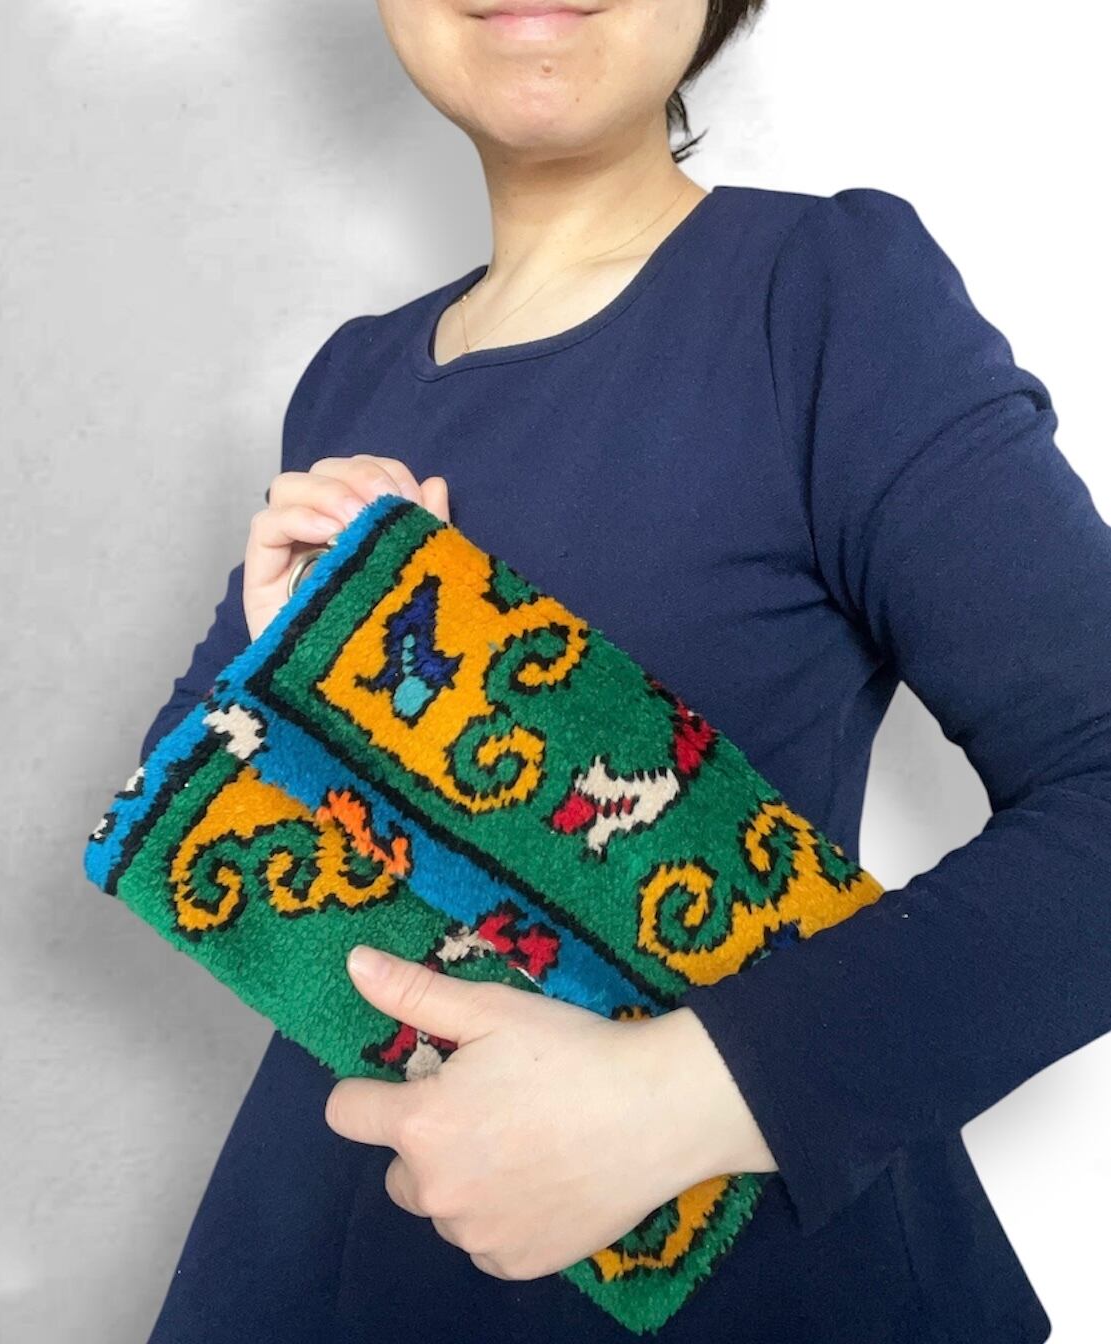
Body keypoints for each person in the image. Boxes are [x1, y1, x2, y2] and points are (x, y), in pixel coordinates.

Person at [136, 2, 1111, 1341]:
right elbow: (178, 834)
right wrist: (279, 666)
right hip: (317, 1255)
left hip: (728, 1276)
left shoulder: (824, 296)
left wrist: (675, 1101)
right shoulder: (351, 378)